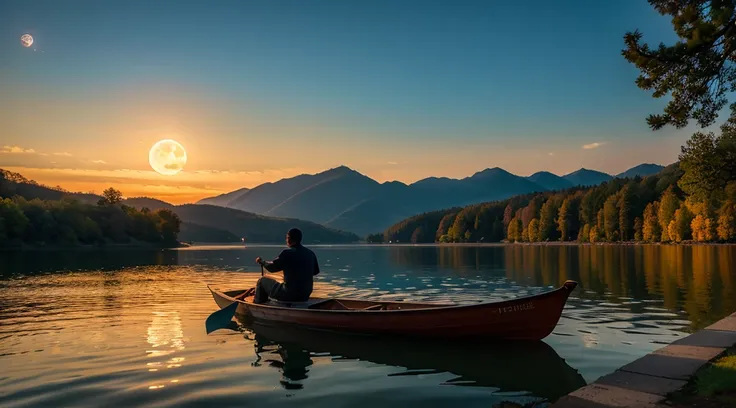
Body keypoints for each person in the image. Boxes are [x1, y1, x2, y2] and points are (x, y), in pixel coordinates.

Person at [238, 228, 320, 304]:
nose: (286, 240)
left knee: (262, 281)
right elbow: (315, 272)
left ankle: (258, 304)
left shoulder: (287, 253)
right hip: (305, 295)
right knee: (283, 284)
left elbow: (272, 268)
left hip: (288, 295)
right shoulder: (310, 253)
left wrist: (262, 262)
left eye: (287, 238)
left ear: (289, 238)